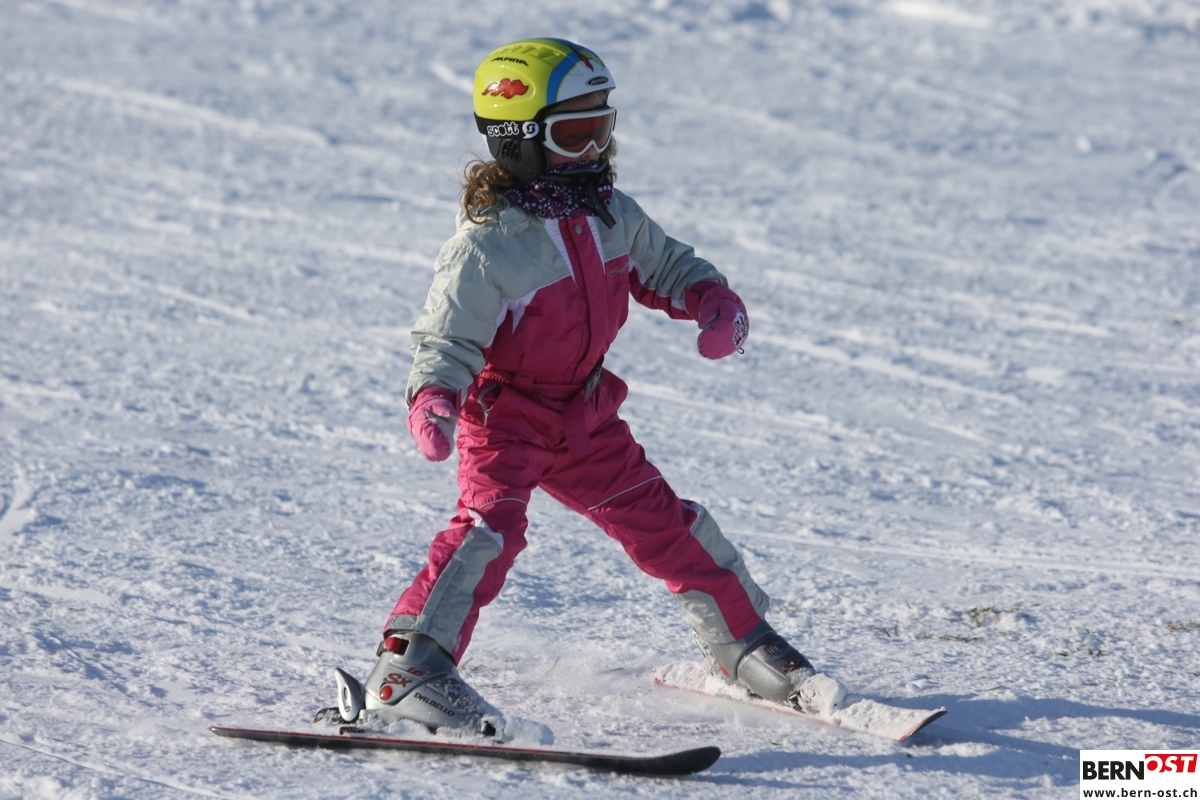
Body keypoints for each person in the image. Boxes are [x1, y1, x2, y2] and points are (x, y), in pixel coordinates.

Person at [345, 37, 846, 737]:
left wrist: (711, 299)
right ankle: (408, 670)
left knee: (666, 523)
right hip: (508, 419)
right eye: (572, 133)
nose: (592, 150)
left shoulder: (610, 213)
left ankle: (743, 643)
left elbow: (666, 266)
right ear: (519, 140)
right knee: (487, 532)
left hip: (584, 417)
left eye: (600, 127)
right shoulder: (488, 245)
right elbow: (447, 338)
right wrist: (434, 396)